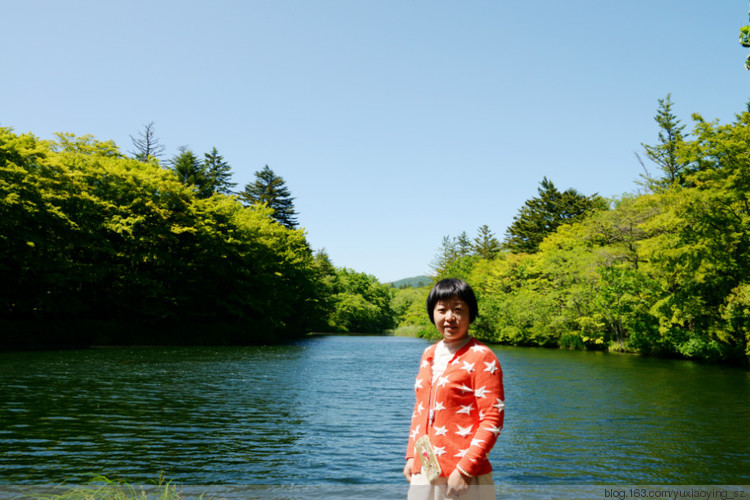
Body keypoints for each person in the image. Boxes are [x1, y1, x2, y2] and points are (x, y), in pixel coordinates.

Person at [404, 278, 504, 500]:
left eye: (458, 309)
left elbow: (492, 419)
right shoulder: (429, 354)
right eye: (442, 310)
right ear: (433, 314)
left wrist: (465, 471)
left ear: (471, 314)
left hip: (464, 477)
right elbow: (421, 410)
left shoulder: (482, 357)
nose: (449, 317)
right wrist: (412, 456)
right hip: (427, 468)